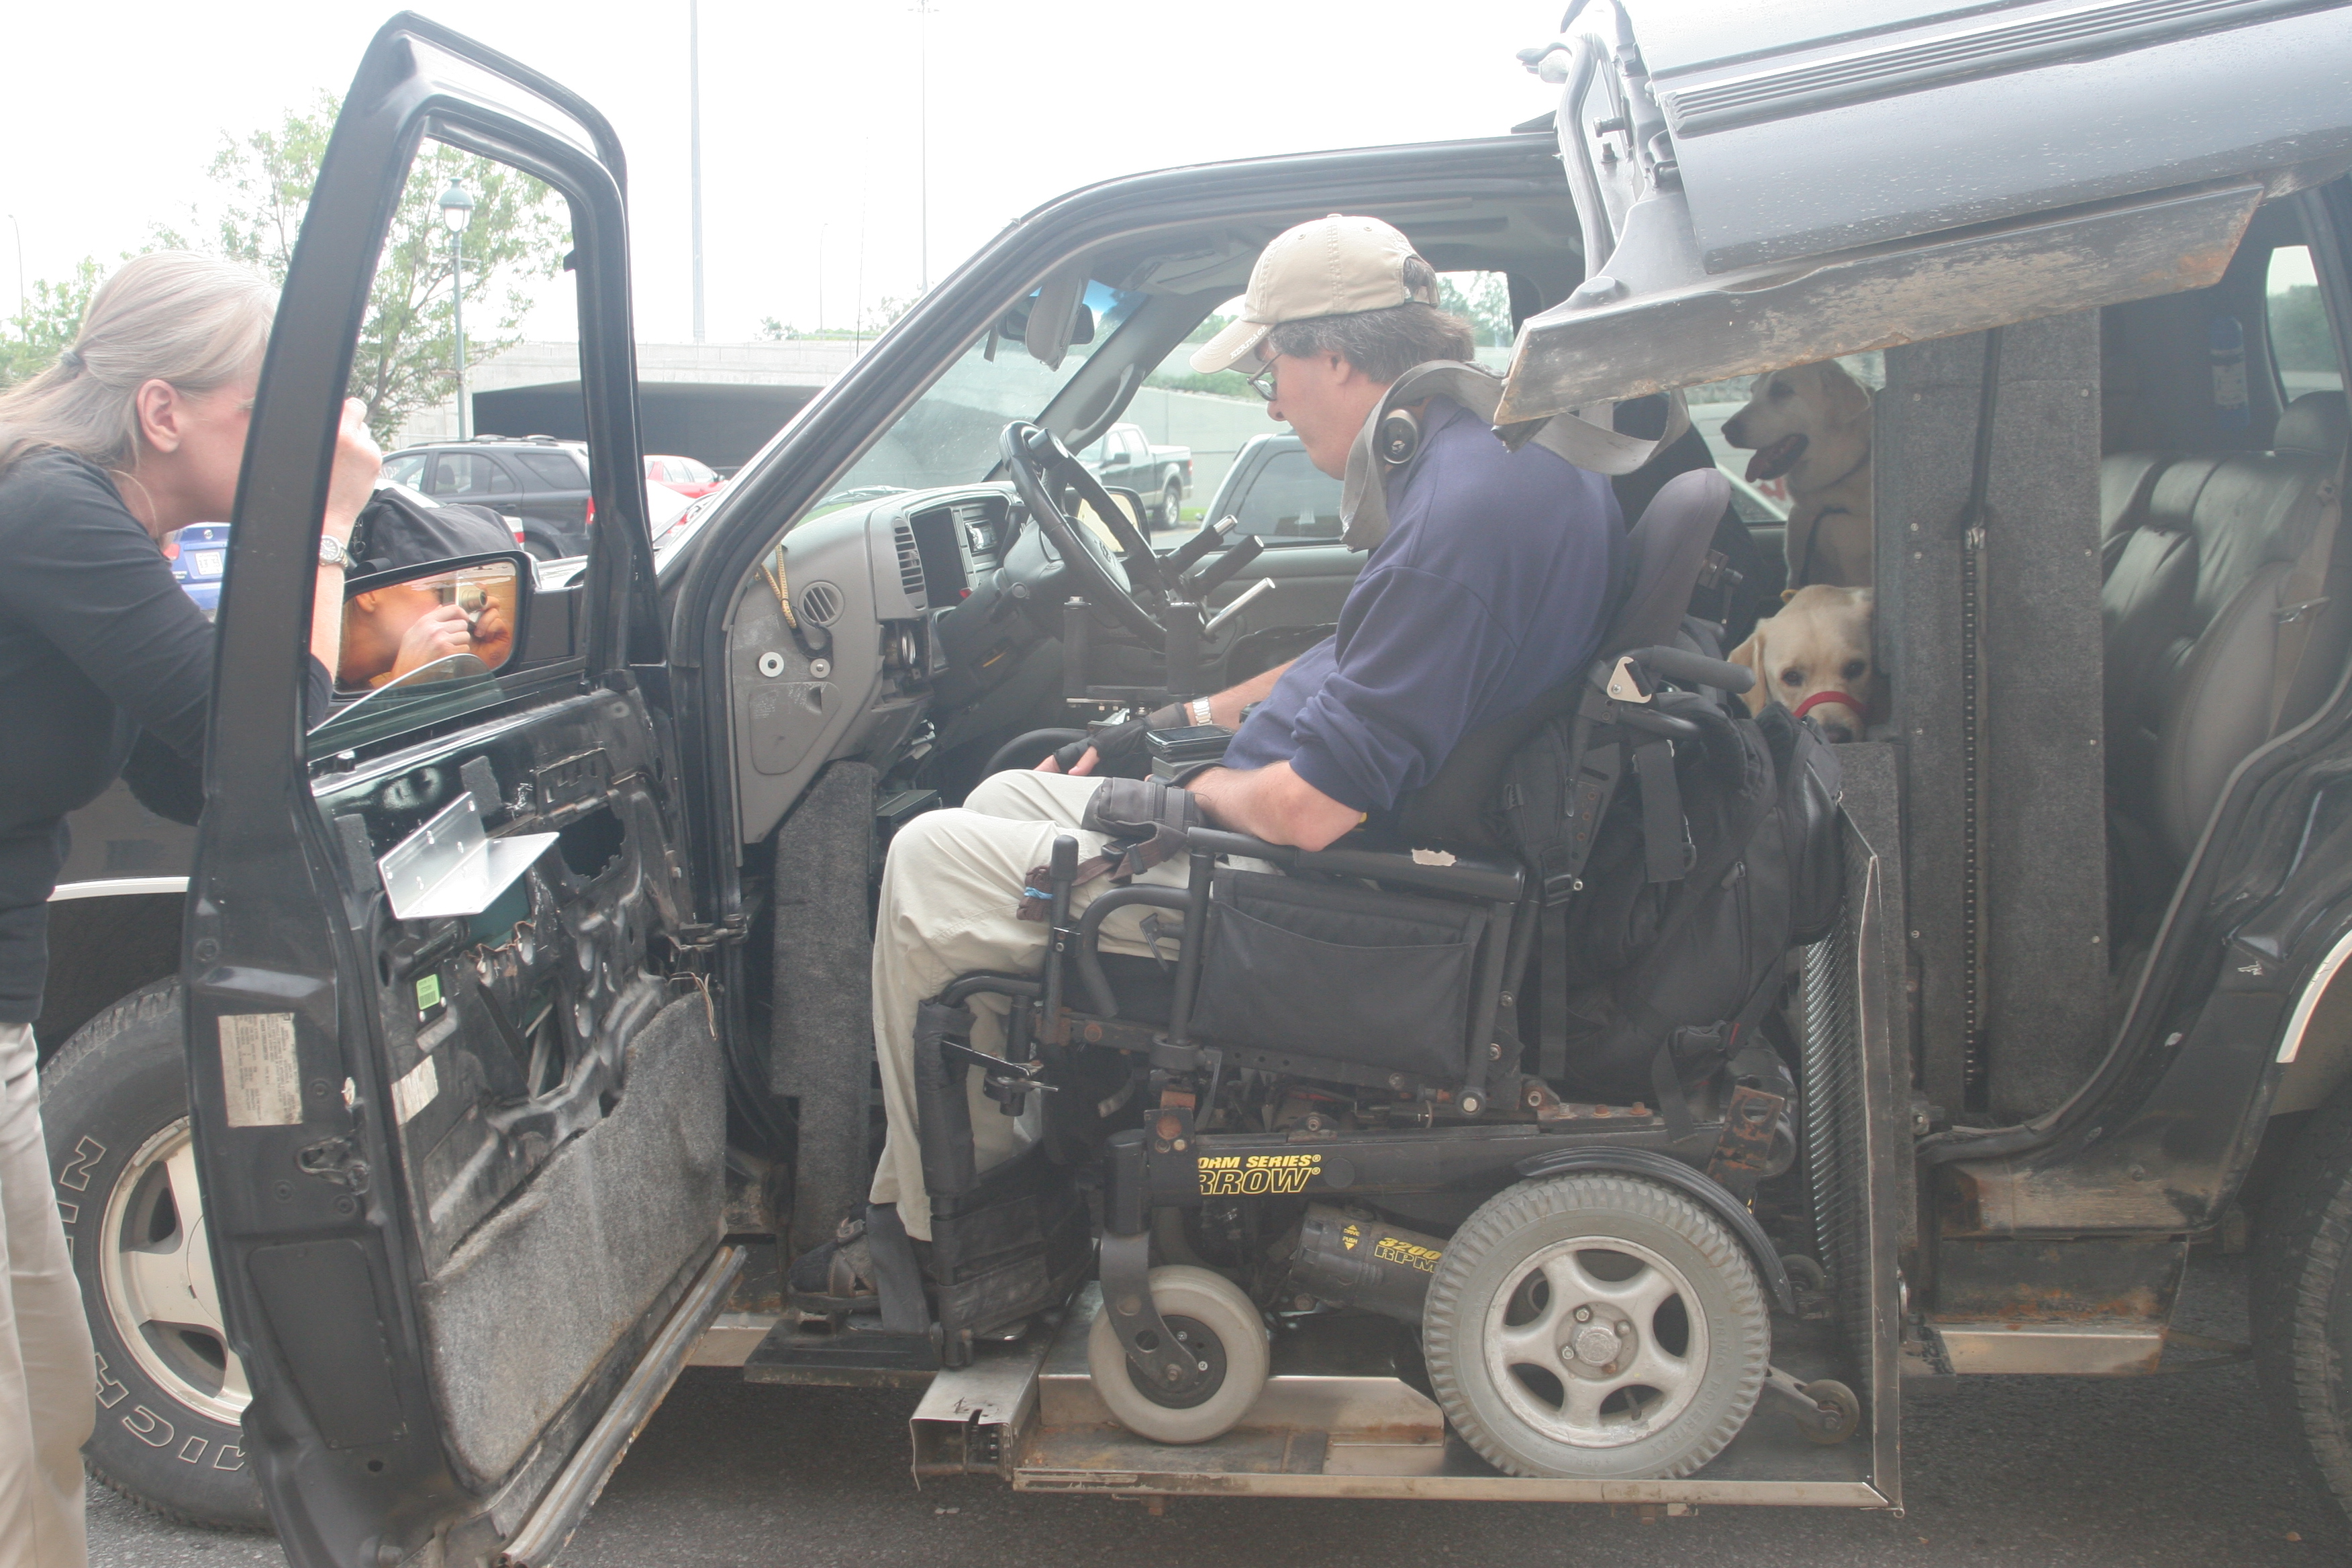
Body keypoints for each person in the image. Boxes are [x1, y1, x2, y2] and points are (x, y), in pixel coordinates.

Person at [791, 214, 1624, 1305]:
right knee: (1002, 792)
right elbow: (1350, 659)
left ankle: (951, 1236)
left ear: (1335, 354)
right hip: (1330, 839)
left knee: (932, 857)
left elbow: (1306, 812)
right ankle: (1012, 1165)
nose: (1268, 401)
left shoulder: (1453, 531)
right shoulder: (1505, 465)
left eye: (1272, 366)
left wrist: (1175, 792)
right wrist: (1180, 716)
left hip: (1323, 891)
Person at [0, 251, 379, 1568]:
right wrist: (326, 531)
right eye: (256, 411)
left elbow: (196, 761)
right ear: (162, 412)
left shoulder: (109, 530)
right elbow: (258, 735)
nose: (284, 442)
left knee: (48, 1387)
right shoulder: (49, 508)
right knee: (13, 1410)